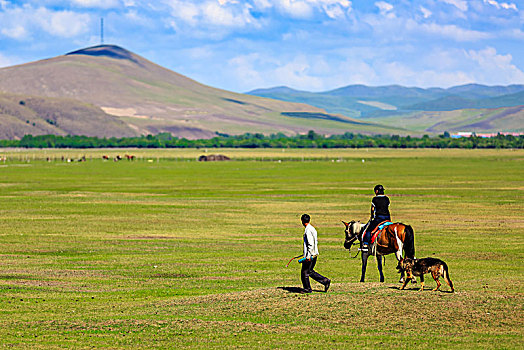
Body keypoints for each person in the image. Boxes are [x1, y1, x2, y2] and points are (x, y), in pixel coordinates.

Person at [299, 214, 331, 293]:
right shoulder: (312, 228)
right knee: (310, 271)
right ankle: (325, 281)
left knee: (304, 272)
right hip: (314, 254)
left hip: (310, 255)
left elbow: (310, 244)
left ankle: (307, 289)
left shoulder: (308, 230)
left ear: (302, 221)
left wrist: (308, 255)